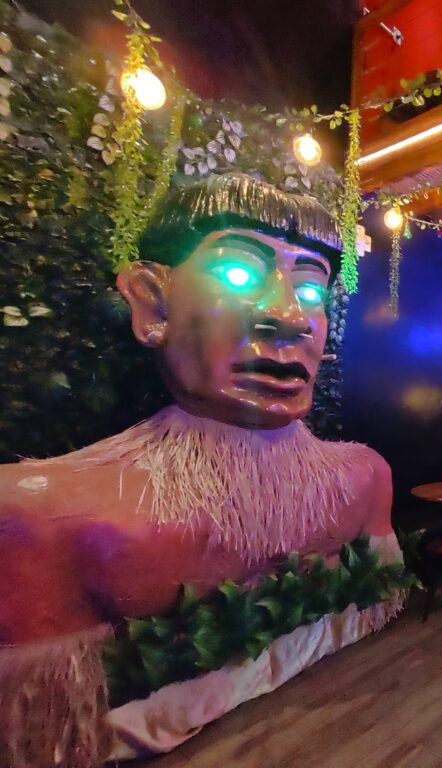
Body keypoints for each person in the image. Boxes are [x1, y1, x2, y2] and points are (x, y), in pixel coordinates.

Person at [0, 173, 400, 765]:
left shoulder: (365, 478)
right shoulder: (40, 519)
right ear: (152, 304)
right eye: (237, 273)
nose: (288, 315)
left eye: (311, 288)